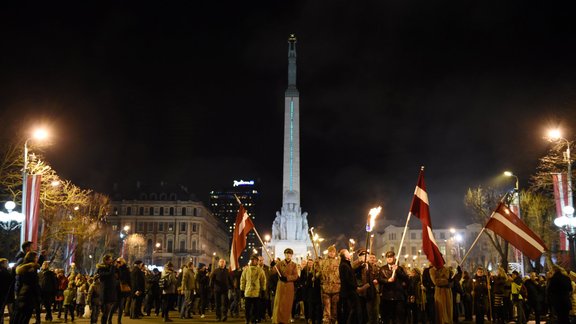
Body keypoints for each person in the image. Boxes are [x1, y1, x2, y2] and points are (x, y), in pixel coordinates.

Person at [11, 251, 41, 324]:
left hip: (22, 294)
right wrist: (38, 296)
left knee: (19, 315)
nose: (37, 259)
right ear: (32, 258)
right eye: (36, 257)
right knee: (25, 316)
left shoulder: (21, 268)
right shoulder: (31, 268)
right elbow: (34, 284)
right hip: (29, 295)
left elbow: (18, 283)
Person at [378, 251, 408, 324]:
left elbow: (406, 278)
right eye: (388, 257)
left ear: (394, 258)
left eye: (391, 257)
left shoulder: (400, 268)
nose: (389, 258)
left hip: (398, 296)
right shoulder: (382, 268)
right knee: (387, 316)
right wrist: (387, 280)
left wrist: (397, 270)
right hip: (387, 296)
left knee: (398, 316)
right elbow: (380, 279)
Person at [272, 248, 299, 324]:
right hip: (280, 285)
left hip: (289, 286)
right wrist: (272, 265)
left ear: (291, 255)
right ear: (284, 254)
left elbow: (295, 276)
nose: (288, 255)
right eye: (287, 254)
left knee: (287, 304)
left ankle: (285, 319)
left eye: (290, 254)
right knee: (279, 303)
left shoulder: (294, 265)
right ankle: (278, 319)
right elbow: (273, 271)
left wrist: (287, 278)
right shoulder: (280, 263)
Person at [338, 249, 364, 324]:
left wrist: (360, 267)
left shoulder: (346, 264)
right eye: (348, 253)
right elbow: (347, 279)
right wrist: (356, 287)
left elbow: (351, 273)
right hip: (349, 292)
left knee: (353, 310)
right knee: (352, 310)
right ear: (345, 256)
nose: (349, 254)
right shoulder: (344, 265)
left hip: (350, 291)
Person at [241, 255, 267, 324]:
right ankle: (247, 319)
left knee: (256, 308)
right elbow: (243, 280)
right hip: (248, 292)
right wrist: (242, 290)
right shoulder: (246, 270)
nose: (253, 261)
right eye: (252, 260)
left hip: (256, 293)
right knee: (247, 308)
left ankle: (254, 319)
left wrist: (263, 290)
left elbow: (263, 281)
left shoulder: (260, 270)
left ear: (257, 261)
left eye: (255, 260)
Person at [318, 245, 340, 324]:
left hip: (336, 288)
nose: (331, 253)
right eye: (330, 252)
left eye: (333, 252)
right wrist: (318, 272)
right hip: (325, 289)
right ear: (328, 252)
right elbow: (318, 273)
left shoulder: (338, 262)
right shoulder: (323, 262)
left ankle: (333, 321)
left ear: (335, 253)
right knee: (327, 309)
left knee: (334, 309)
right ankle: (326, 322)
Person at [96, 254, 118, 324]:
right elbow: (109, 274)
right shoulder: (101, 268)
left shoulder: (110, 267)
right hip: (105, 292)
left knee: (108, 311)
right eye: (110, 259)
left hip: (111, 291)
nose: (111, 261)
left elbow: (117, 274)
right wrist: (112, 266)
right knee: (105, 311)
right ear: (106, 260)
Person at [0, 258, 14, 324]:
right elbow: (11, 281)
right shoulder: (5, 272)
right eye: (6, 263)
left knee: (1, 311)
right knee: (10, 311)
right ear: (2, 264)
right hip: (7, 294)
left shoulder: (5, 271)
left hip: (3, 294)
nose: (7, 264)